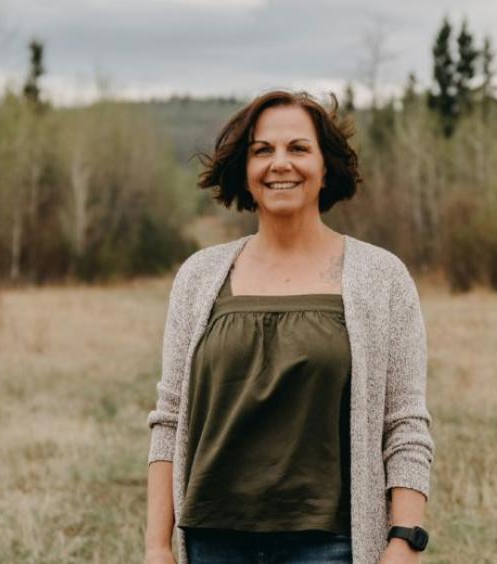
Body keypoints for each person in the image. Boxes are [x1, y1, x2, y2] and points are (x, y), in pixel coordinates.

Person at [145, 90, 434, 564]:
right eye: (263, 151)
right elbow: (170, 417)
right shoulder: (199, 276)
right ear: (245, 170)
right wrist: (157, 545)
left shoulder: (381, 277)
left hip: (331, 546)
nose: (280, 163)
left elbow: (404, 424)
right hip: (212, 541)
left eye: (298, 148)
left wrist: (403, 542)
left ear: (325, 168)